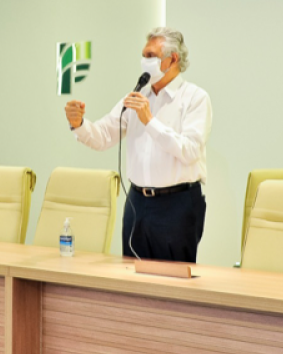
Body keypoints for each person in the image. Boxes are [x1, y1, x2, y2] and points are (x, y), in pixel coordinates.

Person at [65, 27, 212, 263]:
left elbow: (190, 150)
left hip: (177, 205)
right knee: (132, 283)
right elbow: (103, 136)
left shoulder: (195, 98)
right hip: (137, 204)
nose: (145, 61)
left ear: (172, 59)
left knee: (173, 288)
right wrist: (79, 124)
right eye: (144, 55)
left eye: (151, 56)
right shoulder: (136, 97)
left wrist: (150, 122)